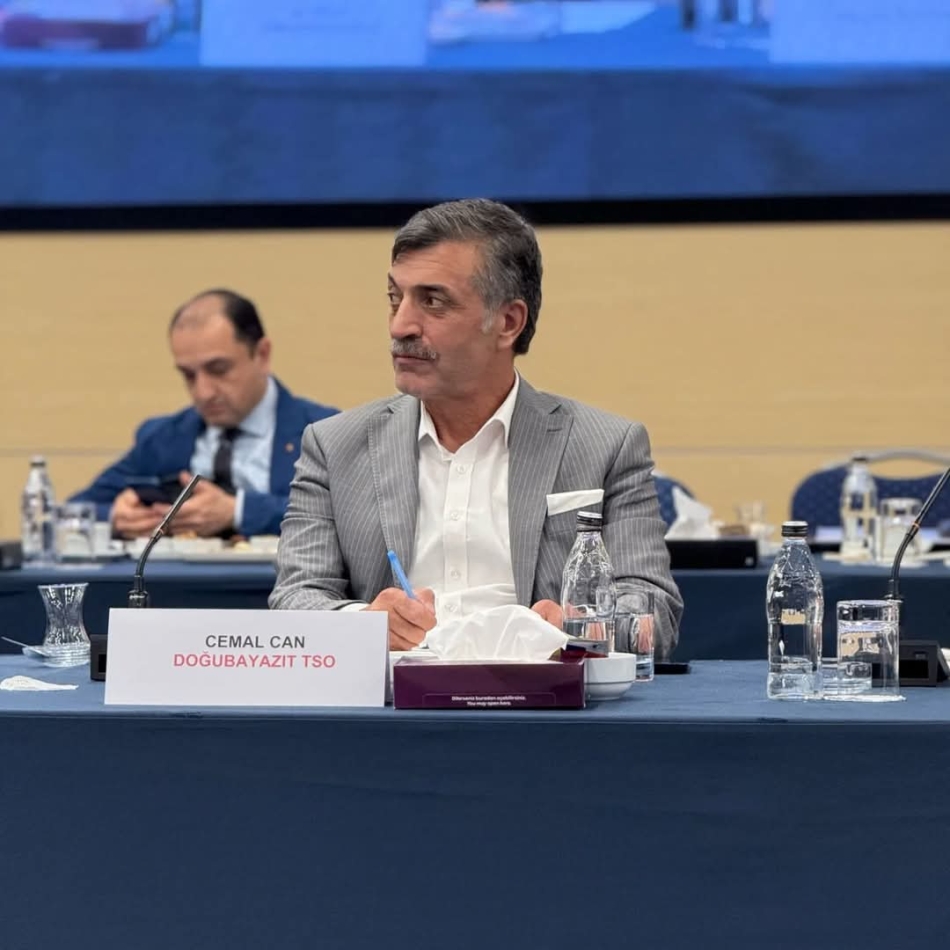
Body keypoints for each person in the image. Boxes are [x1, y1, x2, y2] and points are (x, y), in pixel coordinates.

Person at [269, 199, 683, 657]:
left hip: (542, 696)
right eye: (395, 298)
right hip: (396, 697)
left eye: (433, 301)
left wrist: (578, 627)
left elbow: (655, 617)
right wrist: (365, 625)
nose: (401, 325)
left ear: (507, 322)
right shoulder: (334, 446)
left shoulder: (605, 447)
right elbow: (294, 601)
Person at [71, 289, 338, 539]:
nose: (203, 393)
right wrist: (116, 517)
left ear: (261, 355)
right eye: (189, 375)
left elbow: (351, 516)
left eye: (219, 370)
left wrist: (238, 511)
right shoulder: (163, 438)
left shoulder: (327, 432)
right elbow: (76, 510)